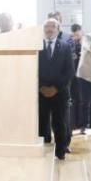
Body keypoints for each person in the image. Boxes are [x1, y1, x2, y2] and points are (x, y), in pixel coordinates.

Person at [39, 19, 75, 159]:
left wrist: (55, 88)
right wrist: (41, 87)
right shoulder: (37, 46)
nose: (49, 29)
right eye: (46, 26)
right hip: (41, 92)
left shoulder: (65, 47)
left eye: (52, 26)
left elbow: (69, 71)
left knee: (60, 123)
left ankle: (60, 152)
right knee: (42, 123)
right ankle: (44, 150)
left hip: (60, 92)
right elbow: (33, 69)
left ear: (58, 29)